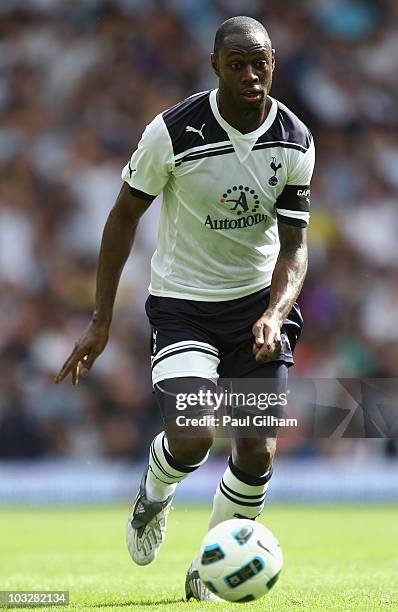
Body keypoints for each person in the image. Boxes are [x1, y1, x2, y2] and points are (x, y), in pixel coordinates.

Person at [55, 15, 314, 602]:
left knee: (256, 449)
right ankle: (155, 491)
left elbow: (295, 248)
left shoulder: (295, 139)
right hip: (184, 306)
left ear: (274, 62)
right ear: (215, 67)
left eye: (261, 62)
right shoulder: (173, 132)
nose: (251, 74)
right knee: (194, 435)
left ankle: (209, 566)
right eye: (238, 63)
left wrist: (275, 312)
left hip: (256, 307)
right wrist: (100, 319)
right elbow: (123, 218)